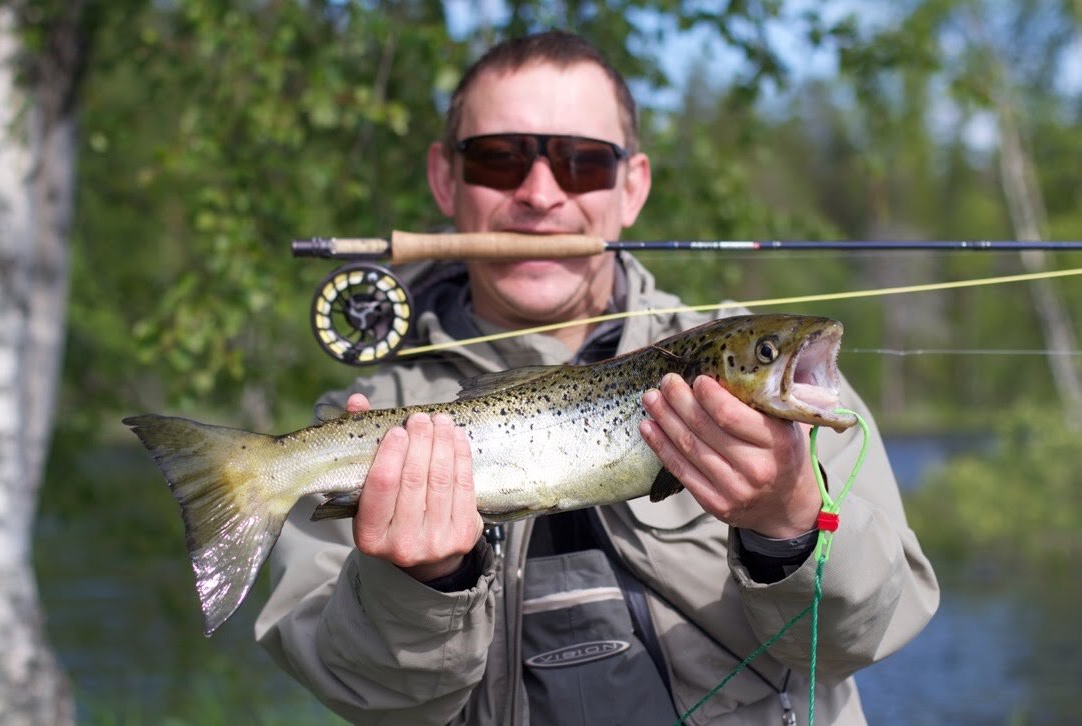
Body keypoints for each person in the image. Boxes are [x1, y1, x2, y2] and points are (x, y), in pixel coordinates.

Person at [256, 30, 939, 725]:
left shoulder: (788, 411)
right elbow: (364, 697)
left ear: (631, 186)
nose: (540, 194)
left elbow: (864, 637)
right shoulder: (378, 412)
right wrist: (423, 582)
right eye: (498, 159)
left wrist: (789, 525)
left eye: (582, 163)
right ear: (444, 178)